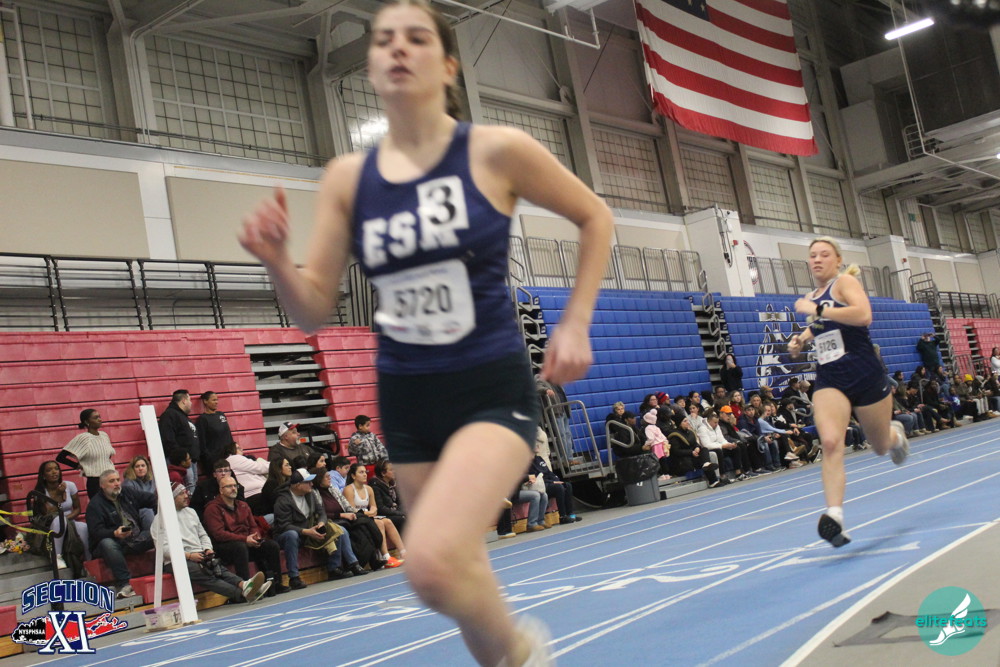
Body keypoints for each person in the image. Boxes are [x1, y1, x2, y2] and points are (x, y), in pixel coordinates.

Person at [240, 0, 612, 659]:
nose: (397, 49)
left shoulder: (496, 150)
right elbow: (312, 311)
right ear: (372, 67)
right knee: (456, 572)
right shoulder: (349, 178)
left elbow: (595, 216)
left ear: (446, 66)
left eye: (415, 38)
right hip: (408, 400)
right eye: (384, 39)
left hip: (488, 389)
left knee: (432, 566)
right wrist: (275, 260)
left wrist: (575, 321)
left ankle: (523, 651)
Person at [789, 236, 909, 548]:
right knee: (830, 442)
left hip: (864, 373)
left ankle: (895, 436)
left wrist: (818, 309)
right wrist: (801, 339)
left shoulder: (844, 283)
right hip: (831, 377)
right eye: (813, 255)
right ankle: (835, 515)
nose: (817, 259)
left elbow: (862, 315)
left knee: (880, 446)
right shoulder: (814, 297)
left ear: (838, 260)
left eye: (824, 254)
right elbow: (822, 326)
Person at [152, 482, 270, 605]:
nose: (186, 496)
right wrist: (189, 556)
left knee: (217, 567)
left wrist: (207, 549)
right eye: (181, 494)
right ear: (171, 498)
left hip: (199, 554)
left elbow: (203, 535)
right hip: (176, 561)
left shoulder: (191, 512)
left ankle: (245, 585)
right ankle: (243, 595)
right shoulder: (159, 521)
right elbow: (164, 549)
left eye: (185, 492)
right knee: (205, 573)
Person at [273, 468, 368, 588]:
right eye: (308, 482)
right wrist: (306, 531)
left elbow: (321, 512)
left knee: (339, 530)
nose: (312, 484)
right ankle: (294, 577)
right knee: (292, 535)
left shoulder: (311, 494)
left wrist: (321, 523)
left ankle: (335, 568)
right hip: (288, 535)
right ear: (297, 485)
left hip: (310, 530)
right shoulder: (283, 500)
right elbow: (284, 525)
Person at [203, 475, 288, 595]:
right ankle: (246, 588)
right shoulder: (212, 508)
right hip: (224, 546)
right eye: (229, 486)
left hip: (245, 541)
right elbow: (219, 534)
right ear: (221, 490)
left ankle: (276, 583)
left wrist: (255, 536)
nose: (233, 488)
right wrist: (245, 539)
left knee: (271, 545)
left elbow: (253, 525)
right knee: (240, 547)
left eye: (235, 485)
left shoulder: (243, 505)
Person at [85, 469, 157, 597]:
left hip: (135, 538)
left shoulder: (127, 492)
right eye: (112, 481)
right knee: (107, 543)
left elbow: (152, 499)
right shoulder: (95, 505)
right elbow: (96, 532)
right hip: (114, 542)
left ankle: (171, 568)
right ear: (102, 485)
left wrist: (159, 515)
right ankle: (125, 584)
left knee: (159, 532)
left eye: (118, 480)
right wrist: (114, 533)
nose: (117, 483)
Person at [313, 468, 392, 570]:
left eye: (329, 476)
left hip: (345, 517)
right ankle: (356, 563)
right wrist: (342, 515)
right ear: (319, 479)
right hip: (332, 520)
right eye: (326, 476)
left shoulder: (332, 489)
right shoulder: (315, 494)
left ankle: (373, 558)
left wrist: (353, 513)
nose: (330, 478)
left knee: (364, 523)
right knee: (357, 527)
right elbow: (321, 514)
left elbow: (346, 504)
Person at [32, 461, 91, 572]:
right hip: (50, 523)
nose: (54, 472)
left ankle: (89, 561)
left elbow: (77, 509)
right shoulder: (40, 492)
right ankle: (56, 557)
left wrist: (66, 520)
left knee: (84, 527)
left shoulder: (70, 485)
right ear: (43, 476)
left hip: (69, 519)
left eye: (56, 469)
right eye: (49, 470)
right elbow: (48, 513)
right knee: (59, 521)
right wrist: (58, 495)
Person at [343, 464, 406, 565]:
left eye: (365, 472)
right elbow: (352, 510)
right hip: (356, 519)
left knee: (388, 522)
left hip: (368, 517)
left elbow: (374, 508)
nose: (365, 474)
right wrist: (369, 513)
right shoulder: (349, 490)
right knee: (380, 523)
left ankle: (404, 553)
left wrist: (370, 512)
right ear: (353, 476)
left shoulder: (369, 489)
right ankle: (386, 557)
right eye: (361, 472)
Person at [56, 408, 115, 500]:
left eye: (99, 417)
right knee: (100, 507)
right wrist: (77, 465)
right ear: (87, 422)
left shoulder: (104, 435)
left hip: (111, 478)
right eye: (95, 418)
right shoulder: (83, 438)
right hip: (95, 481)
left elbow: (107, 455)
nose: (100, 419)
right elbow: (60, 457)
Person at [158, 389, 201, 492]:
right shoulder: (169, 415)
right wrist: (181, 458)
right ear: (184, 401)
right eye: (189, 400)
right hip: (181, 462)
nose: (191, 403)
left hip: (190, 461)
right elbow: (168, 439)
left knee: (192, 487)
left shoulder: (183, 417)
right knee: (185, 489)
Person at [225, 441, 271, 514]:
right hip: (254, 495)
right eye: (238, 448)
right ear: (231, 450)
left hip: (256, 494)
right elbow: (260, 467)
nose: (242, 449)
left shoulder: (237, 461)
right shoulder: (234, 458)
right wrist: (277, 464)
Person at [196, 391, 233, 473]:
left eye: (217, 400)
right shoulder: (202, 419)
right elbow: (202, 442)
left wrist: (233, 450)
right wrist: (209, 459)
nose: (216, 402)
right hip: (214, 460)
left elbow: (228, 434)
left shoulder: (221, 415)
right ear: (205, 401)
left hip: (228, 457)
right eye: (213, 400)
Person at [368, 459, 406, 533]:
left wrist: (403, 511)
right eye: (391, 470)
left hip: (394, 512)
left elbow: (400, 502)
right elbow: (381, 508)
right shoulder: (375, 486)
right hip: (384, 515)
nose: (394, 471)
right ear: (383, 473)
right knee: (402, 519)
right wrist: (400, 513)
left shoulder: (392, 484)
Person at [122, 455, 156, 529]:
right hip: (137, 512)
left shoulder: (153, 481)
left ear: (147, 467)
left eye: (143, 466)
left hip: (153, 509)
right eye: (137, 466)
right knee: (147, 511)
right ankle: (150, 534)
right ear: (132, 469)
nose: (140, 468)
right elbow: (131, 505)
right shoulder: (128, 483)